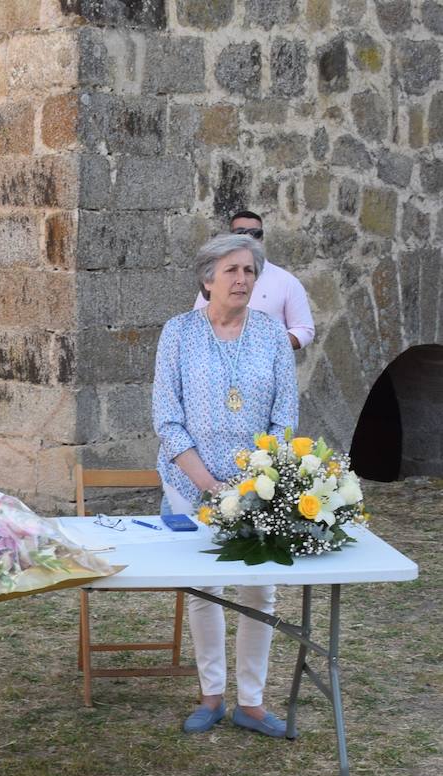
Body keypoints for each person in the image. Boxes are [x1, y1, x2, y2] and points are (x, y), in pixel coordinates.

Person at [154, 233, 299, 738]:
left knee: (260, 591)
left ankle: (251, 703)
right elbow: (167, 419)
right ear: (207, 279)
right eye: (232, 270)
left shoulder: (272, 334)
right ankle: (211, 696)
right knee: (205, 590)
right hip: (190, 483)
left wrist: (256, 485)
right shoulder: (178, 332)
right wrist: (211, 485)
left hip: (258, 488)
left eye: (249, 271)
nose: (242, 279)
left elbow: (284, 418)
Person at [194, 210, 315, 350]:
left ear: (262, 237)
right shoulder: (216, 280)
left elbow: (304, 330)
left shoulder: (287, 282)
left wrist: (266, 347)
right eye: (240, 232)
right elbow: (198, 322)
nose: (248, 237)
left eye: (255, 233)